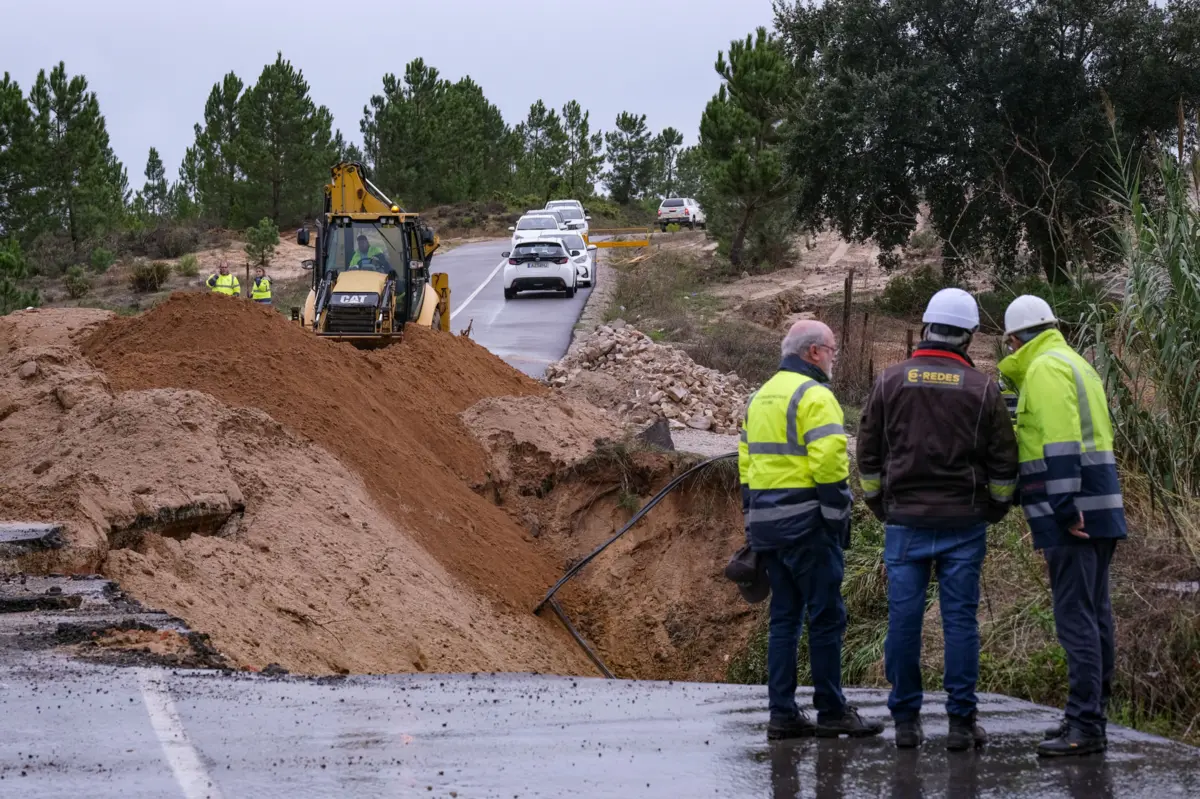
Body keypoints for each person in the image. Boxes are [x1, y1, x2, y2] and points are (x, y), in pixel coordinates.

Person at [857, 288, 1019, 751]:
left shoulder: (889, 381)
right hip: (964, 524)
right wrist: (994, 509)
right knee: (960, 623)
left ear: (927, 328)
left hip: (905, 523)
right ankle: (961, 724)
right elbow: (1004, 462)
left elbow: (867, 454)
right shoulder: (982, 389)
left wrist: (880, 506)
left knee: (903, 621)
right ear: (968, 336)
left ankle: (906, 722)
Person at [739, 319, 884, 741]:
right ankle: (832, 711)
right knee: (826, 617)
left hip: (768, 528)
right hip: (808, 527)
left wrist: (753, 522)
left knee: (784, 619)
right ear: (814, 352)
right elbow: (830, 467)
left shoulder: (759, 397)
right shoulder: (815, 396)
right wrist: (838, 520)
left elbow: (746, 467)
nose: (834, 357)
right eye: (832, 349)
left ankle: (782, 713)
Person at [998, 295, 1126, 758]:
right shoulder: (1075, 363)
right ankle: (1090, 715)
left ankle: (1085, 725)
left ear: (1016, 339)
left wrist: (1065, 506)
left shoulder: (1045, 369)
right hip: (1100, 506)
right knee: (1094, 613)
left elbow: (1061, 441)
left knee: (1076, 617)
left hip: (1074, 512)